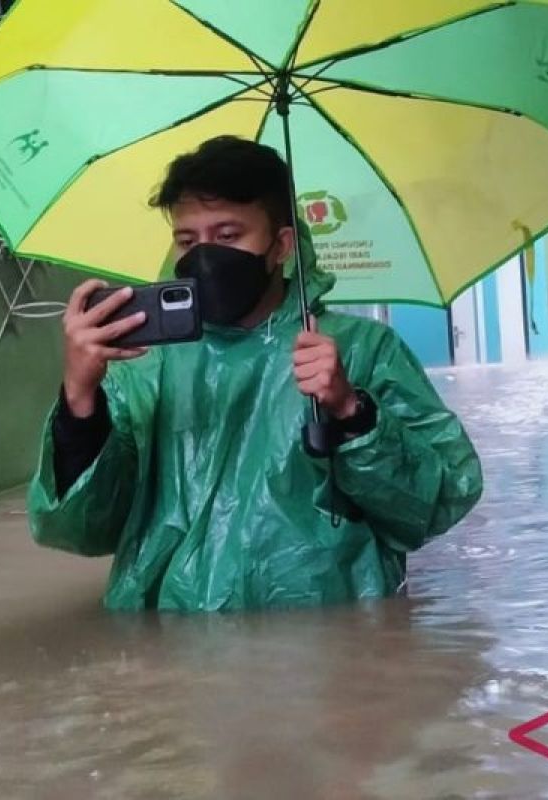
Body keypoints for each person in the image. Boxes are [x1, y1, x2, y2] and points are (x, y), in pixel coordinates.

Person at [26, 135, 482, 612]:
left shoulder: (363, 351)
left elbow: (437, 504)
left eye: (227, 236)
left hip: (324, 649)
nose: (205, 255)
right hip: (174, 648)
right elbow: (79, 529)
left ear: (281, 244)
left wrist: (352, 412)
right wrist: (80, 398)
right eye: (188, 240)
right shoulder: (144, 364)